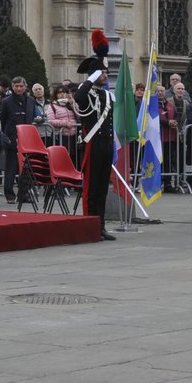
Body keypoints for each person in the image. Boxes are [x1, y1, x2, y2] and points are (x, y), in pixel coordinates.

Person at [74, 30, 115, 240]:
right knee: (91, 188)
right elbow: (79, 97)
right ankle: (89, 225)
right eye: (103, 73)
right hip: (92, 144)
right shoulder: (85, 91)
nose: (106, 76)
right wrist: (92, 77)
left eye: (106, 73)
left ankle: (100, 225)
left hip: (106, 145)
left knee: (102, 187)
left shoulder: (107, 95)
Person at [0, 75, 36, 201]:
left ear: (25, 87)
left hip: (27, 139)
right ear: (12, 87)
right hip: (12, 138)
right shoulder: (6, 102)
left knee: (26, 168)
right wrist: (5, 136)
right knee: (11, 168)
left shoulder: (30, 100)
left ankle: (23, 194)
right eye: (16, 86)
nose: (19, 89)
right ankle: (9, 194)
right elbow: (1, 121)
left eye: (21, 86)